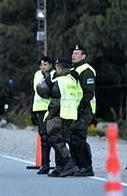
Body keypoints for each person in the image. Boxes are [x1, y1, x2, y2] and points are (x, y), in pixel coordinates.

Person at [39, 57, 80, 177]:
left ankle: (70, 164)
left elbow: (55, 102)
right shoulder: (72, 81)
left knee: (55, 139)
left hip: (59, 114)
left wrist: (49, 116)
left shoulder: (60, 81)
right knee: (63, 140)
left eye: (56, 68)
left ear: (59, 68)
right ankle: (60, 167)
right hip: (70, 114)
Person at [70, 44, 96, 177]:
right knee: (73, 138)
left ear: (84, 56)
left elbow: (88, 93)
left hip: (85, 109)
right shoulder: (74, 70)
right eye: (73, 53)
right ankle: (77, 165)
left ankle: (87, 166)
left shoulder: (87, 70)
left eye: (77, 53)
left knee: (79, 138)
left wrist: (80, 109)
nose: (73, 55)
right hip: (74, 110)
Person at [32, 56, 53, 174]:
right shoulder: (37, 75)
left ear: (50, 65)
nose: (43, 67)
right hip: (40, 108)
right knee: (44, 137)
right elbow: (40, 89)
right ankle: (45, 164)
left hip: (52, 108)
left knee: (53, 136)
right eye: (41, 65)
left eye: (45, 64)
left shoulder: (55, 74)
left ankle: (60, 163)